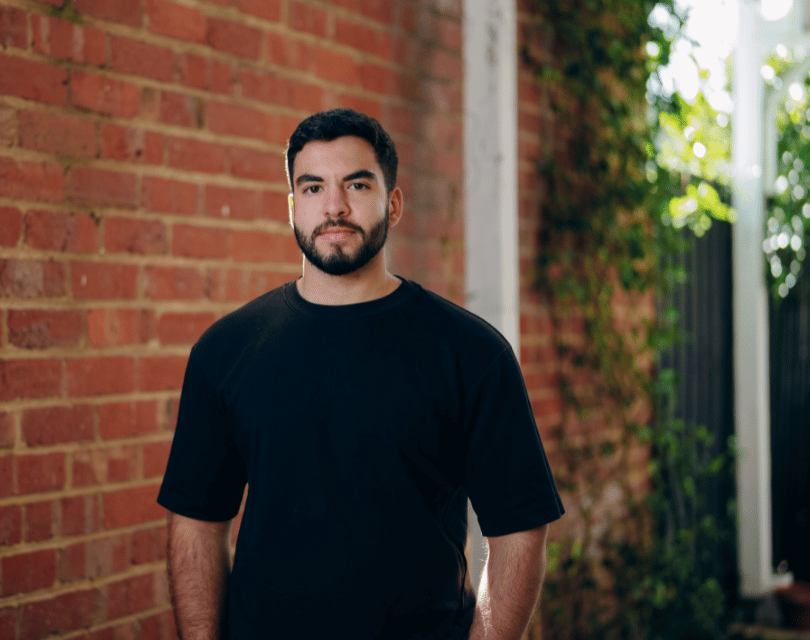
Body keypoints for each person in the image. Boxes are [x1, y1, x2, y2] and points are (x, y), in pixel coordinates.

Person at [156, 108, 564, 640]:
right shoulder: (226, 350)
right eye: (312, 188)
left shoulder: (469, 353)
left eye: (356, 183)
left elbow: (519, 530)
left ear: (392, 204)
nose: (334, 207)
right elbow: (196, 522)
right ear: (292, 208)